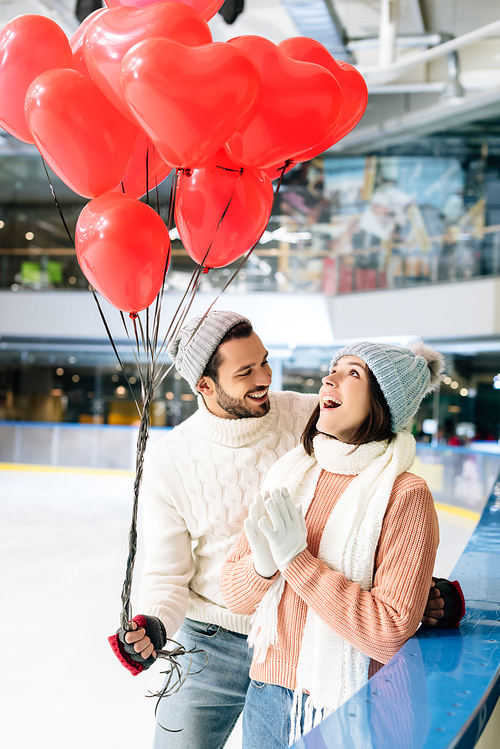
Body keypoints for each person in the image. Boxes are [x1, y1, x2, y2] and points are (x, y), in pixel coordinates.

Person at [109, 312, 463, 749]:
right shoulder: (173, 459)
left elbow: (367, 500)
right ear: (205, 386)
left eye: (265, 362)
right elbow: (167, 572)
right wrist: (155, 624)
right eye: (245, 372)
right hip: (214, 642)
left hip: (308, 644)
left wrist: (418, 591)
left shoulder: (308, 417)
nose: (265, 378)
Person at [220, 341, 448, 747]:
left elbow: (389, 629)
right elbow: (235, 596)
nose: (330, 378)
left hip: (351, 703)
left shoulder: (404, 495)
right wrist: (262, 566)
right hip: (267, 694)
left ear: (384, 402)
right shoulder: (291, 474)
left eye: (353, 373)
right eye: (333, 369)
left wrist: (296, 561)